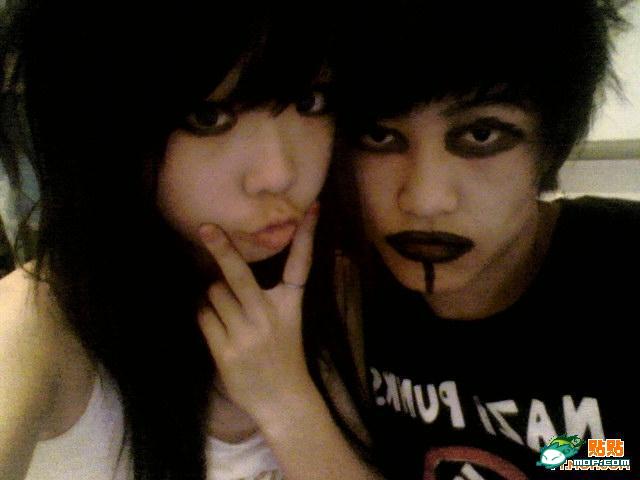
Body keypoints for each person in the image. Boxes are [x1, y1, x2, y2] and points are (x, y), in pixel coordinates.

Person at [0, 2, 376, 479]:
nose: (278, 175)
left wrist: (287, 402)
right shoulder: (37, 327)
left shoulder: (334, 288)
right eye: (208, 117)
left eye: (309, 102)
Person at [328, 1, 638, 478]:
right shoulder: (333, 292)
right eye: (379, 135)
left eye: (480, 134)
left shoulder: (623, 265)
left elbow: (612, 453)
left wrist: (560, 455)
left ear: (549, 145)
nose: (425, 200)